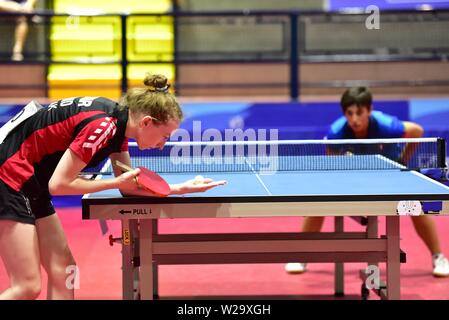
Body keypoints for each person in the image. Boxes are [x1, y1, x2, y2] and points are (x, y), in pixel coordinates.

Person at [0, 73, 226, 300]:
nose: (161, 145)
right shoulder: (102, 127)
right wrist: (115, 182)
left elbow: (128, 187)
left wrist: (179, 188)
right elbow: (59, 185)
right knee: (27, 287)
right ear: (146, 122)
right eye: (165, 136)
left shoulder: (119, 126)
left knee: (65, 269)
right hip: (9, 177)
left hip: (31, 182)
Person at [285, 86, 449, 277]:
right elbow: (329, 164)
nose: (354, 119)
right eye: (349, 113)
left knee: (414, 205)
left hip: (389, 176)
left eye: (359, 112)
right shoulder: (336, 132)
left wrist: (403, 161)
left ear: (369, 110)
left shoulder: (386, 125)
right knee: (318, 205)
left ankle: (438, 256)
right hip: (355, 177)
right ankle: (301, 255)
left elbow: (417, 130)